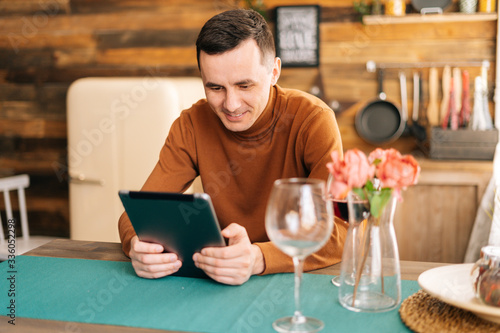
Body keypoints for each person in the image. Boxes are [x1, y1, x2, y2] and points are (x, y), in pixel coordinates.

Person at [118, 8, 347, 285]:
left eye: (244, 85)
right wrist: (136, 248)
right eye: (215, 88)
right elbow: (137, 215)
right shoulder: (191, 124)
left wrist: (258, 257)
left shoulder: (313, 120)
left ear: (274, 71)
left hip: (296, 277)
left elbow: (341, 230)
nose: (231, 105)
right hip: (214, 280)